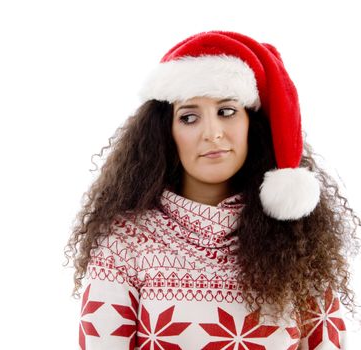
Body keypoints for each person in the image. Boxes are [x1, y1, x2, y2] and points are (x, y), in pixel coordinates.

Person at [64, 30, 360, 349]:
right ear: (166, 132)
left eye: (227, 112)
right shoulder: (124, 245)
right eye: (190, 117)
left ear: (252, 124)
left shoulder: (297, 245)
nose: (212, 133)